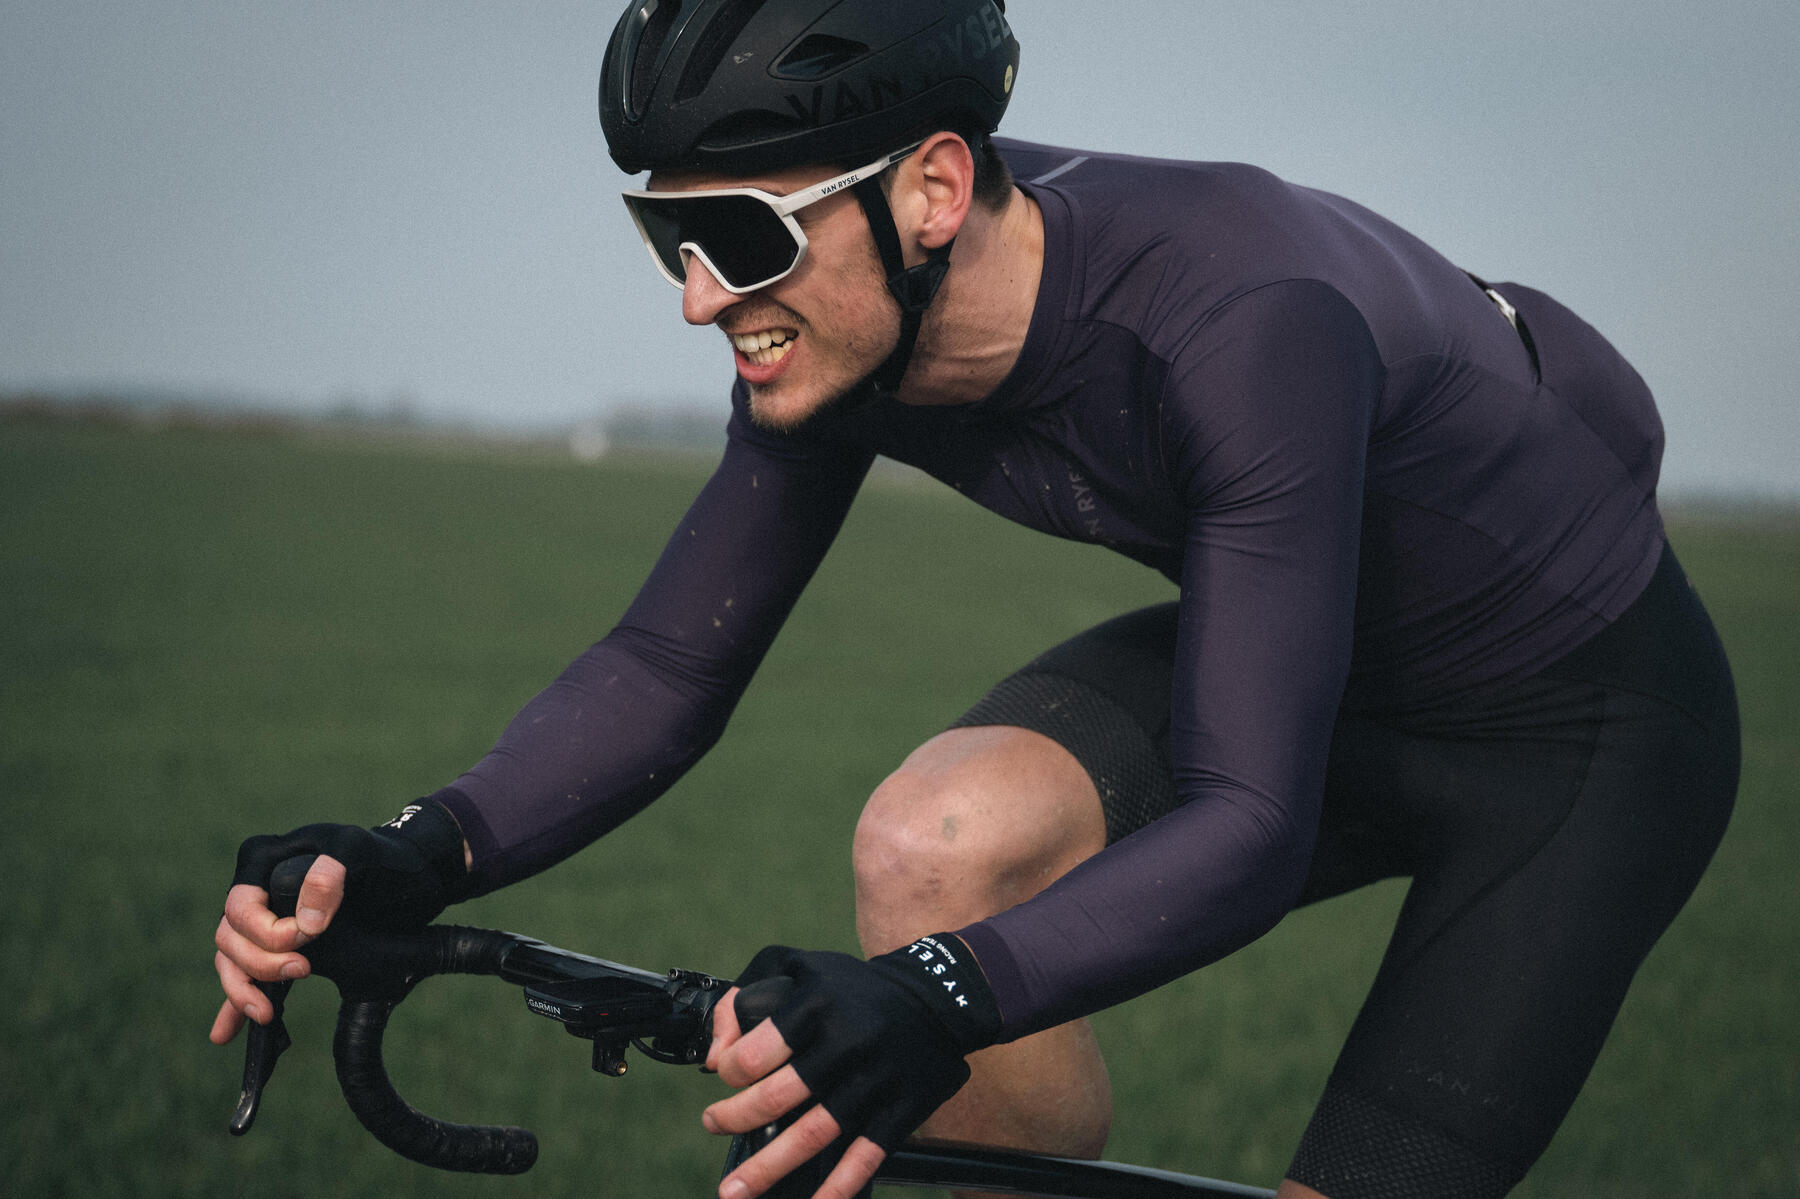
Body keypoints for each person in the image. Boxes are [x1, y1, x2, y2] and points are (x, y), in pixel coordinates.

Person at [211, 3, 1742, 1197]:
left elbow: (1250, 821)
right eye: (666, 235)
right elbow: (676, 656)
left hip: (1575, 744)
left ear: (934, 187)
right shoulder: (845, 326)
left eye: (738, 236)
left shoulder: (1239, 318)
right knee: (931, 845)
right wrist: (417, 853)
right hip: (1315, 668)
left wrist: (929, 1004)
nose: (696, 296)